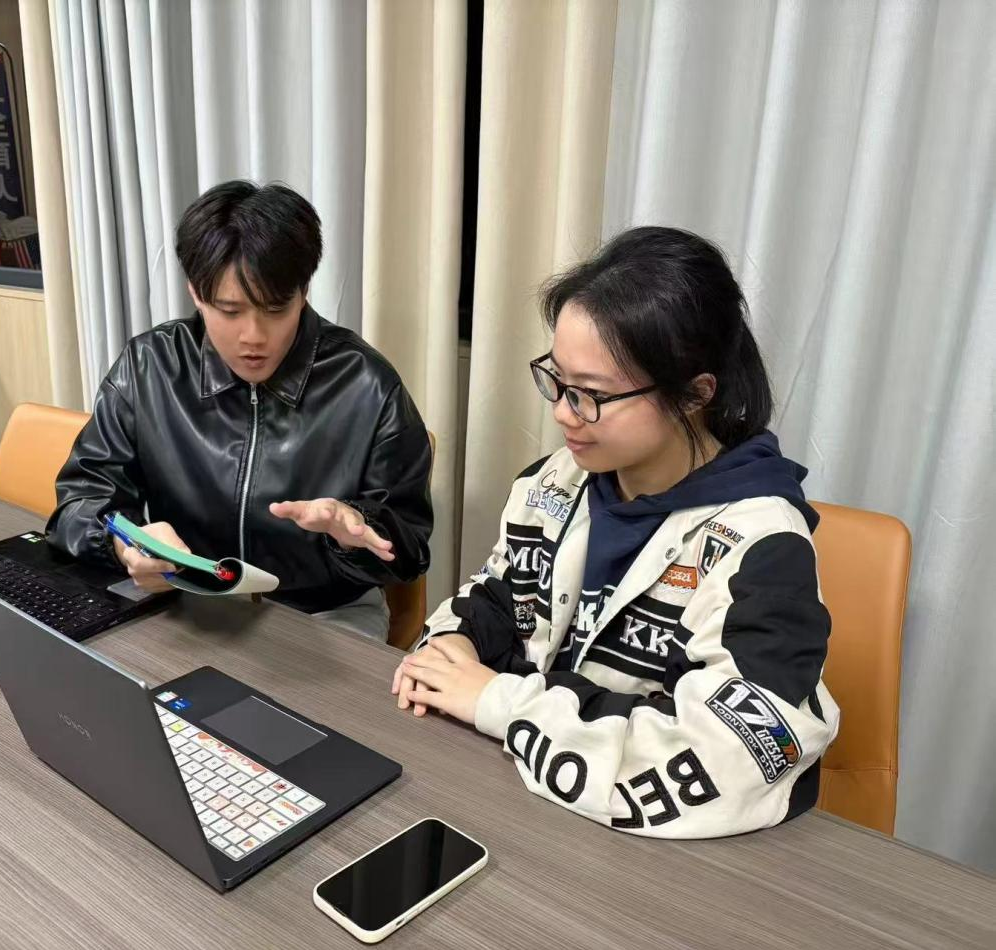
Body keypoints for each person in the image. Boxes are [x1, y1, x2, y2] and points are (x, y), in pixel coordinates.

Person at [393, 226, 838, 836]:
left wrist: (497, 700)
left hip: (652, 852)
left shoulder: (763, 547)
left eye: (590, 395)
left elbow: (727, 758)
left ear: (694, 394)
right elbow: (497, 599)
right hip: (519, 798)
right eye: (556, 381)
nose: (561, 412)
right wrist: (453, 648)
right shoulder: (555, 481)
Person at [49, 180, 433, 639]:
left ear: (303, 290)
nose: (254, 336)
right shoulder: (150, 367)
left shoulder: (368, 386)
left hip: (323, 614)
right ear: (196, 292)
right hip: (185, 600)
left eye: (275, 309)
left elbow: (410, 547)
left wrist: (354, 535)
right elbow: (80, 499)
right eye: (230, 311)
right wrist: (125, 544)